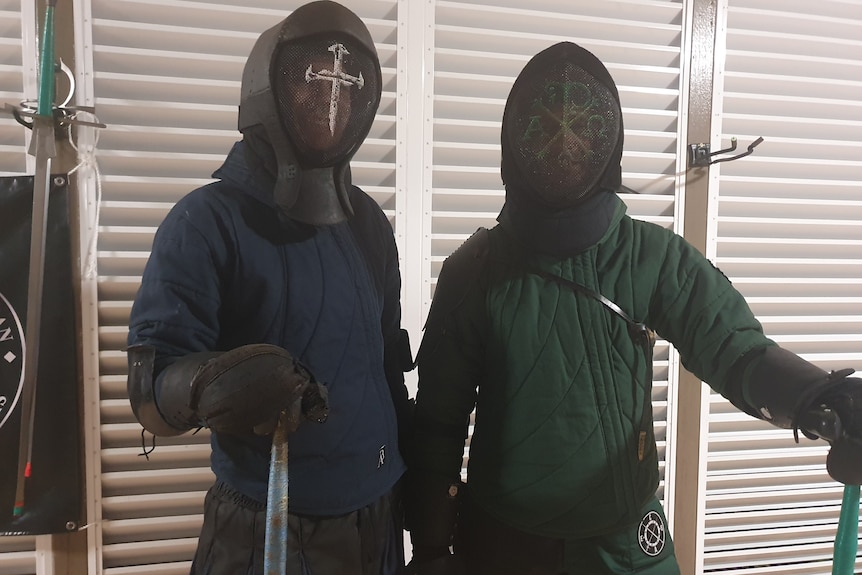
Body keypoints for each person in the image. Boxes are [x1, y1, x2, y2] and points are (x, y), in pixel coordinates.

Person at [404, 41, 862, 575]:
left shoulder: (650, 257)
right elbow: (438, 421)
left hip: (623, 544)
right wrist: (433, 550)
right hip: (502, 542)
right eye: (546, 125)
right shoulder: (476, 270)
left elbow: (732, 347)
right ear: (516, 140)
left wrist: (821, 401)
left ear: (607, 136)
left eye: (580, 125)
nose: (565, 142)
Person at [125, 2, 413, 574]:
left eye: (346, 86)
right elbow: (149, 388)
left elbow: (386, 367)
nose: (331, 101)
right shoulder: (204, 223)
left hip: (376, 517)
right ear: (267, 92)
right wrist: (207, 382)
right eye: (309, 83)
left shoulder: (370, 226)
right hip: (266, 524)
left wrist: (421, 507)